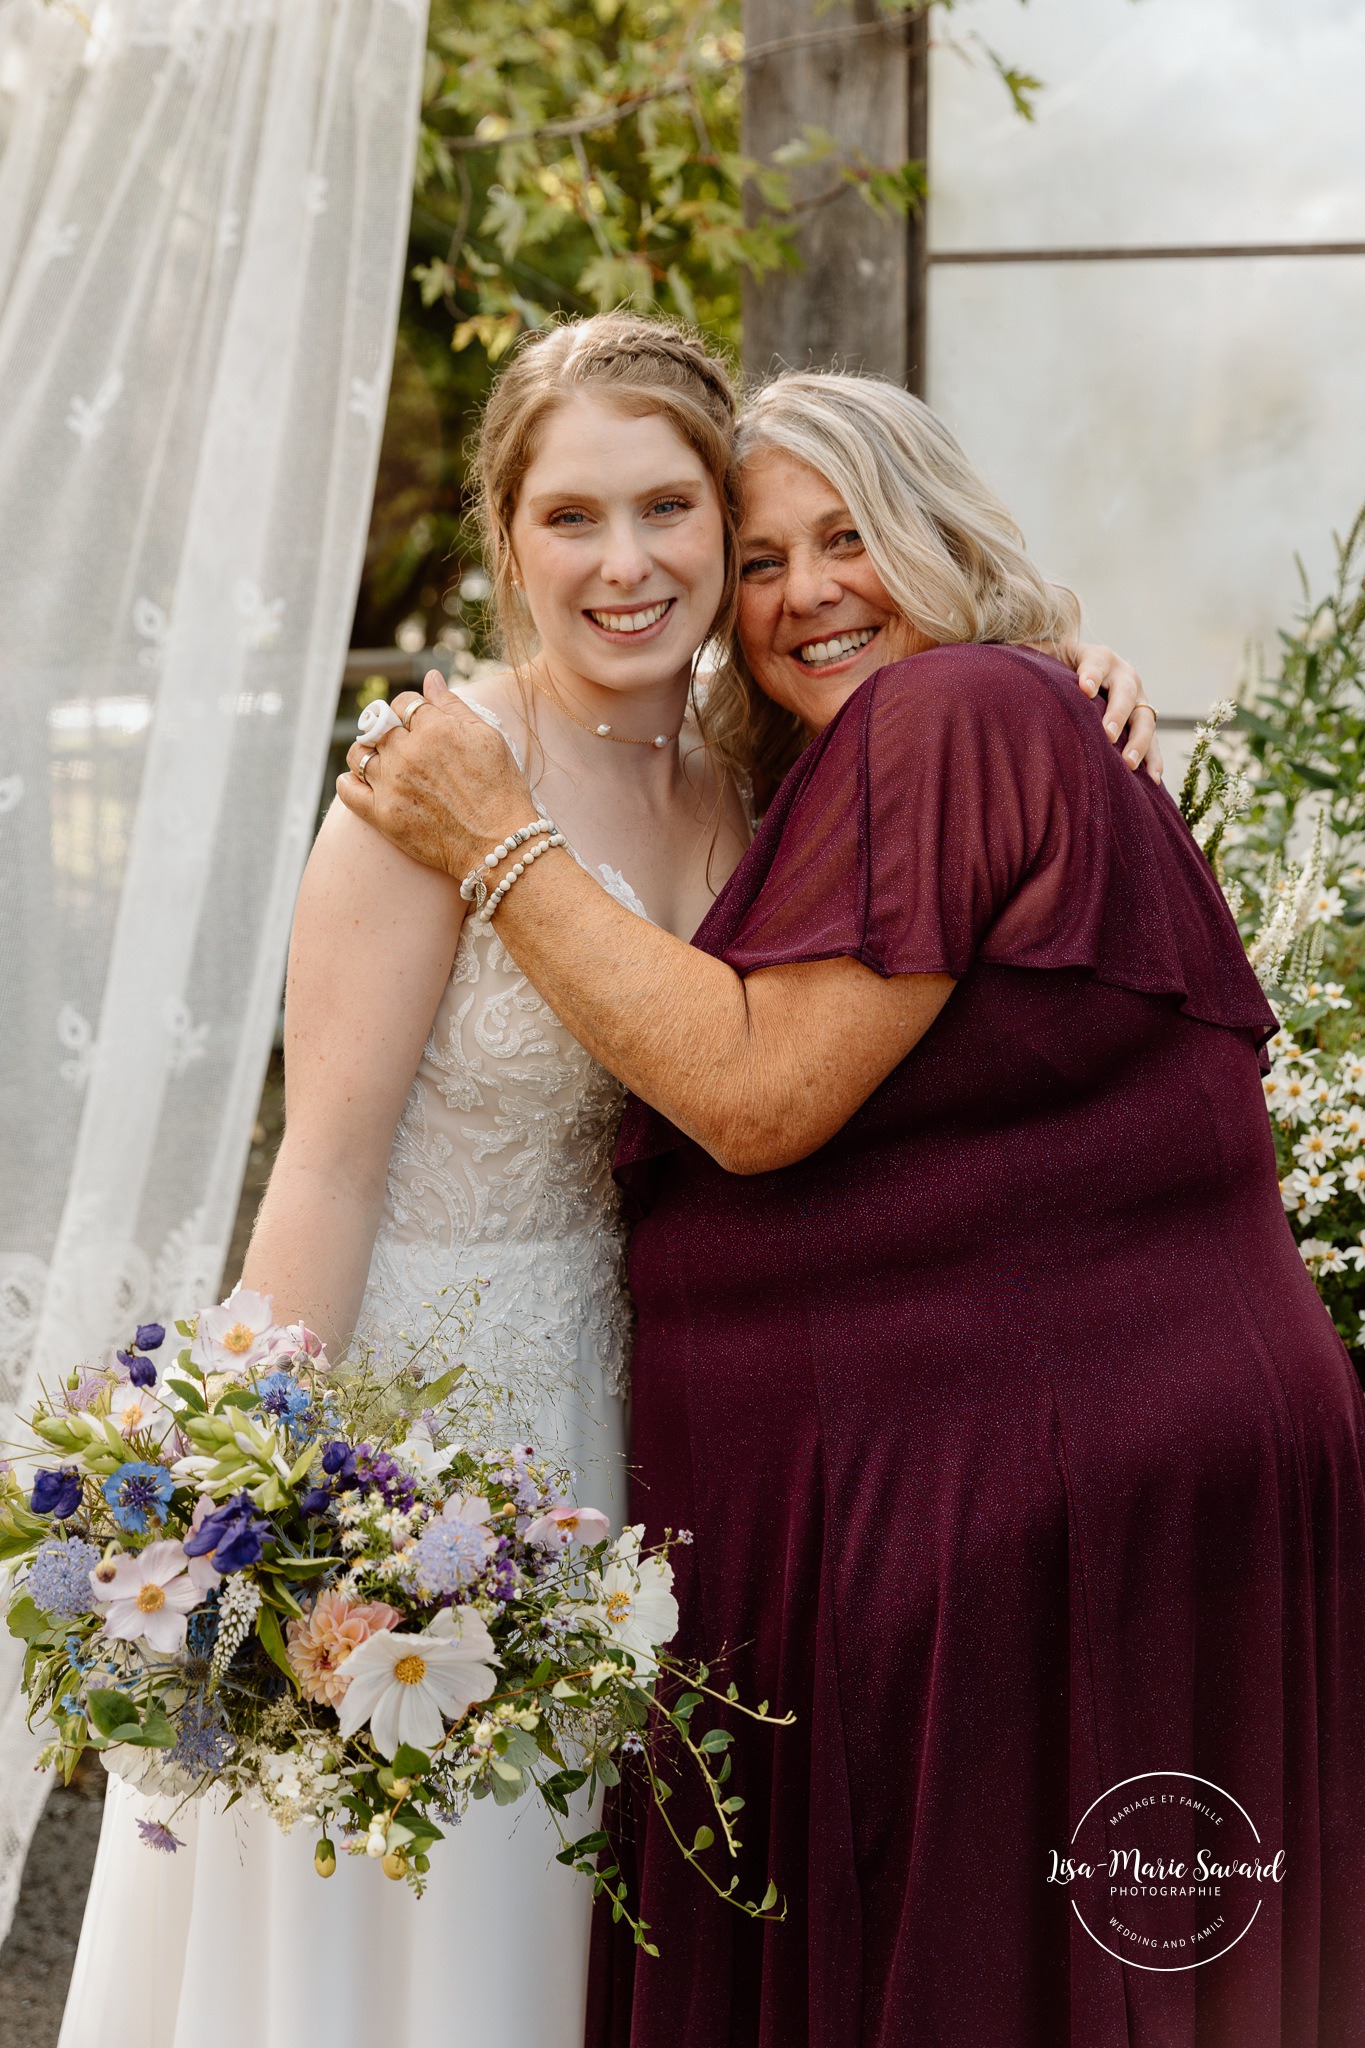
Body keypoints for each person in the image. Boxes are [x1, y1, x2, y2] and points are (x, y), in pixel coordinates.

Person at [57, 321, 1150, 2048]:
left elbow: (924, 756)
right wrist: (258, 1510)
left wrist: (1063, 671)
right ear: (506, 541)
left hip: (639, 1439)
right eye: (571, 516)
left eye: (666, 510)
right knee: (395, 1886)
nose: (625, 563)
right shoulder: (424, 785)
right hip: (414, 1431)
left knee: (578, 1923)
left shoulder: (765, 772)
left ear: (720, 524)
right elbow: (324, 1167)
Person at [338, 368, 1365, 2048]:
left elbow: (752, 1097)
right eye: (759, 560)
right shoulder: (898, 746)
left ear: (937, 532)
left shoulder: (946, 715)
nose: (806, 590)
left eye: (850, 537)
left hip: (1048, 1497)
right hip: (1076, 1482)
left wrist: (494, 834)